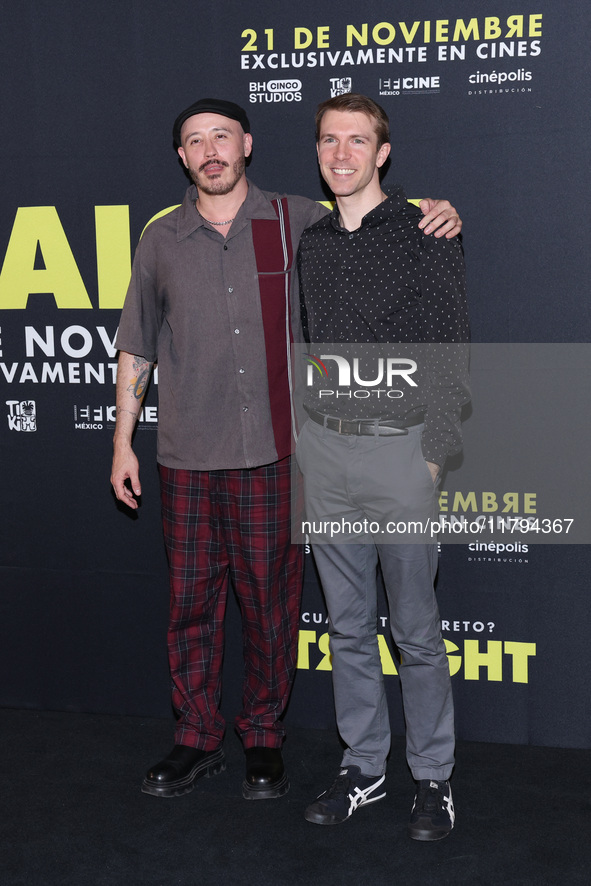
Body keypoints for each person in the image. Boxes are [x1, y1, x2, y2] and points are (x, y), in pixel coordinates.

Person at [110, 96, 463, 802]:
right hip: (199, 452)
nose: (209, 150)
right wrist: (121, 440)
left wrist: (440, 208)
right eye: (194, 141)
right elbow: (136, 343)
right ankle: (202, 736)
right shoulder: (165, 238)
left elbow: (378, 215)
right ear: (182, 157)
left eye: (221, 136)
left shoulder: (294, 219)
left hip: (286, 452)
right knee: (201, 606)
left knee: (294, 610)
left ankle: (271, 738)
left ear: (245, 144)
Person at [295, 93, 469, 839]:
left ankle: (432, 777)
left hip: (401, 452)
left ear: (382, 152)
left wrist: (430, 458)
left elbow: (447, 349)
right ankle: (363, 765)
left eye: (356, 141)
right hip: (328, 451)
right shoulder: (313, 241)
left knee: (417, 631)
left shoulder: (425, 229)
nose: (341, 154)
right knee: (346, 627)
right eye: (329, 140)